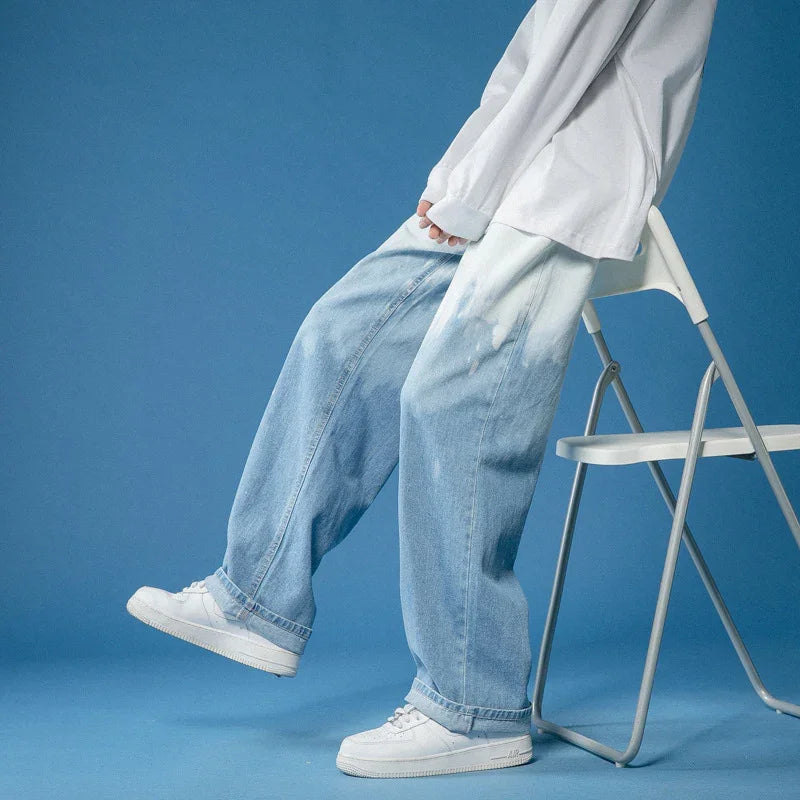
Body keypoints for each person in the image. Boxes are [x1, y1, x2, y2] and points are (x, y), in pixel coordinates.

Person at [127, 0, 718, 779]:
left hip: (575, 175)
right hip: (516, 164)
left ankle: (472, 707)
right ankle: (256, 597)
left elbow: (569, 52)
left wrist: (467, 190)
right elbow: (532, 58)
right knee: (344, 333)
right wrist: (460, 176)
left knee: (453, 405)